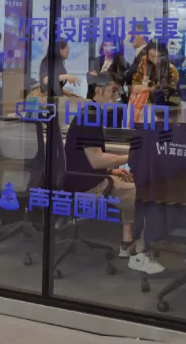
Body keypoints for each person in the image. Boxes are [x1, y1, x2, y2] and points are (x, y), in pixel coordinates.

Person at [63, 72, 166, 274]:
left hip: (82, 177)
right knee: (144, 194)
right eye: (113, 91)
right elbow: (96, 160)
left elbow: (86, 159)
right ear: (98, 90)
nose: (116, 97)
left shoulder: (89, 113)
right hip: (88, 184)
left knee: (130, 182)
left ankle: (127, 243)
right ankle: (140, 255)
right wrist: (131, 156)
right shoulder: (90, 117)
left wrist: (112, 170)